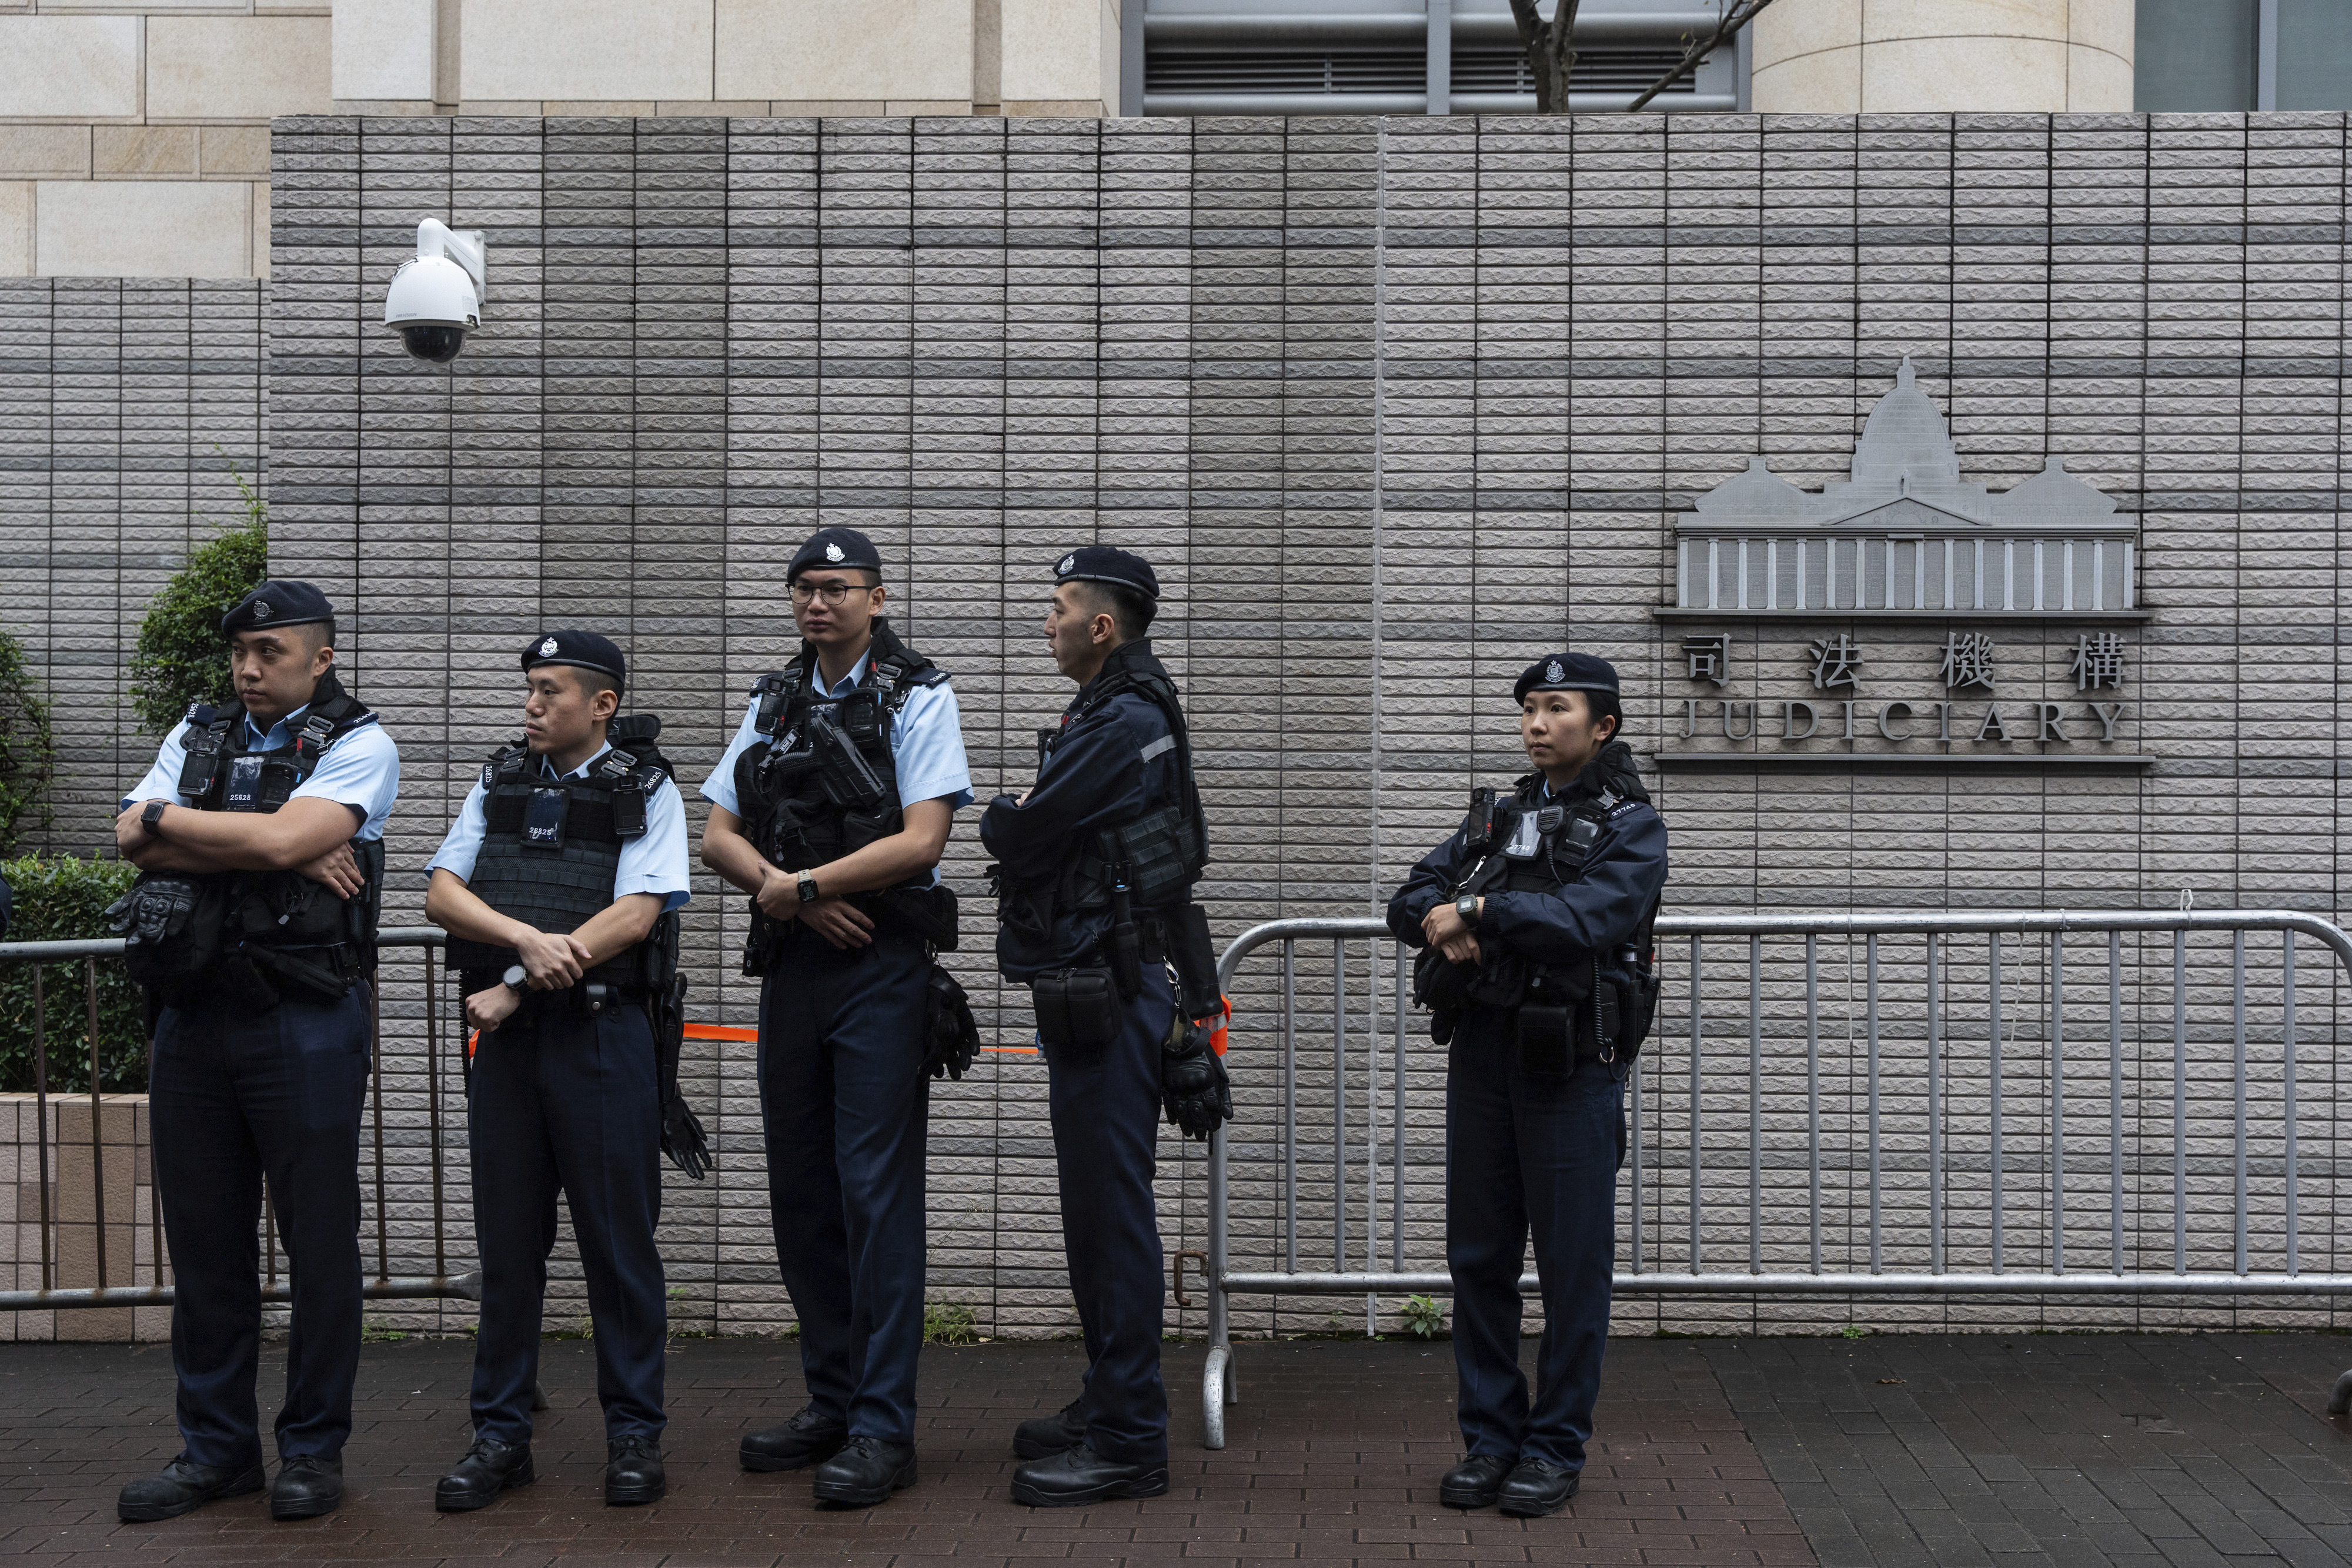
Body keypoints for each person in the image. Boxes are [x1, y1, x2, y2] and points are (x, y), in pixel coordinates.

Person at [109, 581, 400, 1524]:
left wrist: (182, 826)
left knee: (319, 1245)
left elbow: (285, 840)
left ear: (321, 658)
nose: (247, 668)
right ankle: (216, 1452)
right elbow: (131, 836)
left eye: (269, 652)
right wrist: (254, 841)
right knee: (206, 1249)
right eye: (239, 652)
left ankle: (312, 1451)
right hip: (194, 1018)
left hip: (304, 1018)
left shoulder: (360, 744)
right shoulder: (198, 733)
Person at [699, 527, 973, 1508]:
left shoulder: (918, 694)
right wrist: (793, 896)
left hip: (881, 970)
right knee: (803, 1192)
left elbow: (925, 838)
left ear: (877, 598)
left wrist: (805, 884)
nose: (818, 603)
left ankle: (883, 1427)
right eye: (804, 588)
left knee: (875, 1196)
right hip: (796, 965)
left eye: (838, 587)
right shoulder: (773, 699)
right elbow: (717, 833)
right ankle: (833, 1397)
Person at [1385, 653, 1667, 1519]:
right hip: (1484, 1054)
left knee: (1573, 1267)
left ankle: (1553, 1448)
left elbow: (1585, 920)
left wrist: (1479, 911)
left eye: (1557, 708)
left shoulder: (1632, 826)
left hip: (1573, 1064)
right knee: (1480, 1258)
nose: (1537, 724)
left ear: (1603, 727)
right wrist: (1442, 920)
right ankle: (1491, 1441)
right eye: (1529, 709)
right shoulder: (1498, 815)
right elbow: (1411, 897)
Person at [978, 547, 1231, 1509]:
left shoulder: (1123, 719)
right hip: (1106, 985)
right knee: (1095, 1212)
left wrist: (1007, 813)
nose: (1045, 623)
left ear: (1102, 625)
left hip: (1112, 991)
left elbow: (1022, 831)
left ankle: (1129, 1439)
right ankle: (1108, 1397)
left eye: (1058, 608)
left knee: (1110, 1215)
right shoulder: (1118, 709)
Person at [422, 631, 691, 1512]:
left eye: (550, 691)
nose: (532, 705)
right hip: (512, 1051)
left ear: (602, 705)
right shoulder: (500, 778)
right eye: (529, 690)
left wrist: (511, 980)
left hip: (602, 1040)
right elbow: (443, 891)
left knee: (618, 1248)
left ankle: (634, 1435)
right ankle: (500, 1437)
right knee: (507, 1249)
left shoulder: (646, 787)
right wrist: (522, 944)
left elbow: (638, 913)